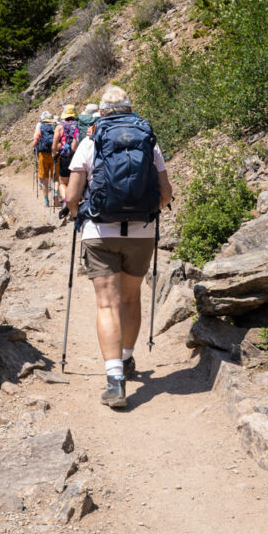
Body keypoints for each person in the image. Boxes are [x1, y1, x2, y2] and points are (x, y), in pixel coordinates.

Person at [65, 86, 173, 409]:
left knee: (107, 305)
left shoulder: (90, 140)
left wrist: (77, 215)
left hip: (100, 231)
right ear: (130, 109)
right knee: (130, 297)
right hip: (141, 233)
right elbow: (165, 194)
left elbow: (71, 197)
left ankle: (115, 383)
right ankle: (126, 359)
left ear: (101, 112)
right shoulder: (147, 140)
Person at [52, 104, 81, 206]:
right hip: (78, 158)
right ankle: (75, 204)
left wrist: (56, 153)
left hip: (65, 158)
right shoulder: (78, 125)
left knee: (63, 183)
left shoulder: (60, 127)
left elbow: (54, 146)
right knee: (75, 184)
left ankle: (66, 202)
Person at [32, 111, 58, 206]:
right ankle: (55, 194)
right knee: (55, 177)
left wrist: (34, 147)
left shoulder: (41, 128)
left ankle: (46, 200)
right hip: (55, 154)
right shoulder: (57, 128)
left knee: (44, 179)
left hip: (43, 155)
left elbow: (35, 142)